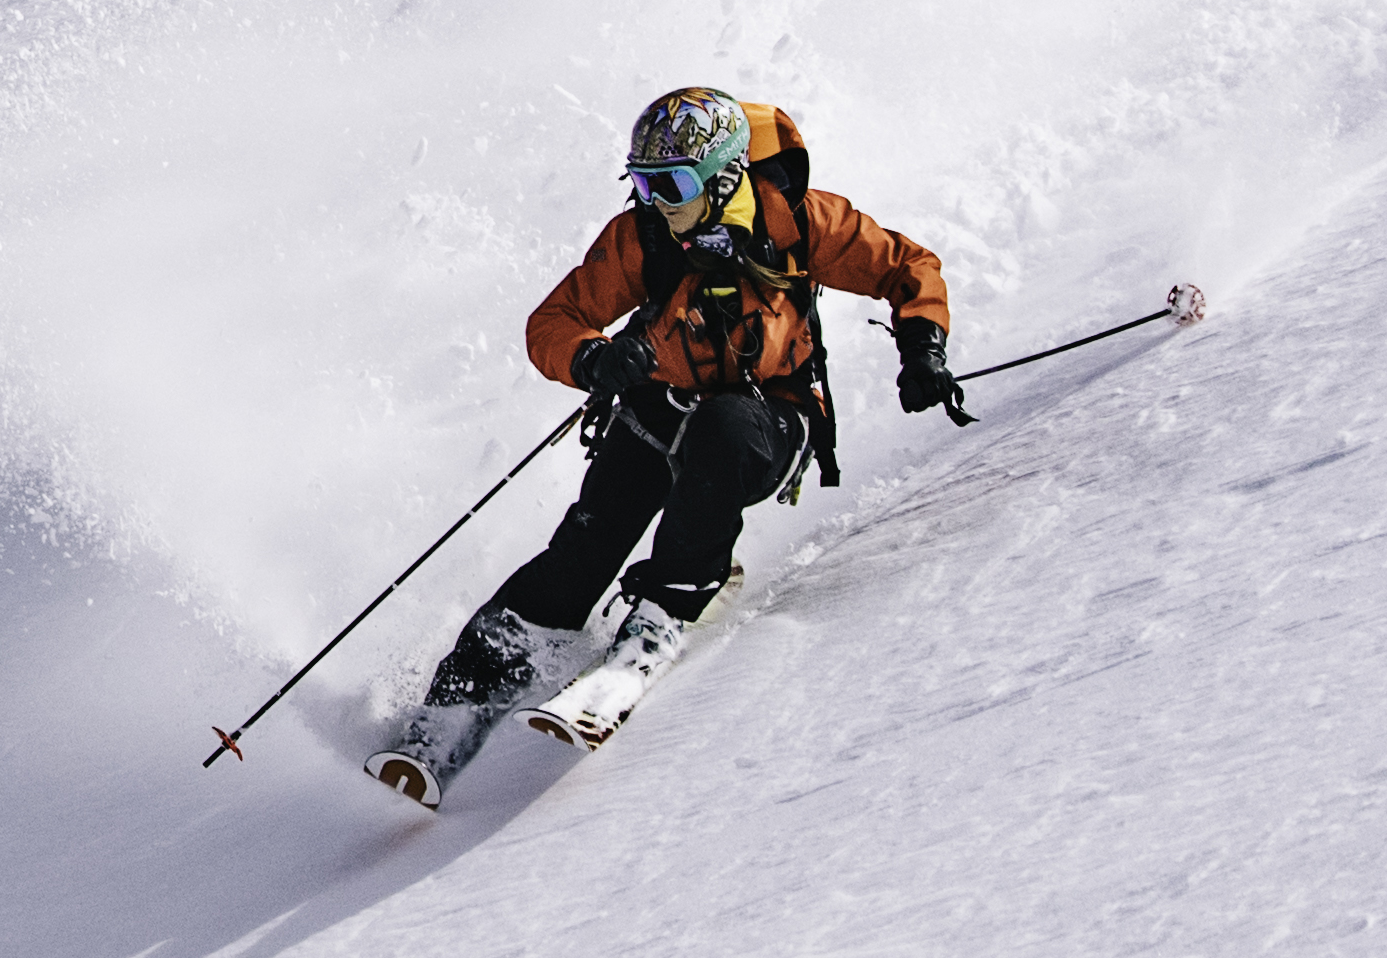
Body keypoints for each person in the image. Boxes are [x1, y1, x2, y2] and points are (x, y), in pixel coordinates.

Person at [373, 87, 958, 804]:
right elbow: (554, 321)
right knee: (585, 547)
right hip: (662, 405)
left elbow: (909, 266)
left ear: (720, 179)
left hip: (769, 416)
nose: (654, 201)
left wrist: (922, 344)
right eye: (641, 183)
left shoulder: (801, 222)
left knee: (721, 435)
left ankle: (662, 615)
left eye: (671, 185)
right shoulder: (644, 238)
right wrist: (592, 360)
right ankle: (459, 699)